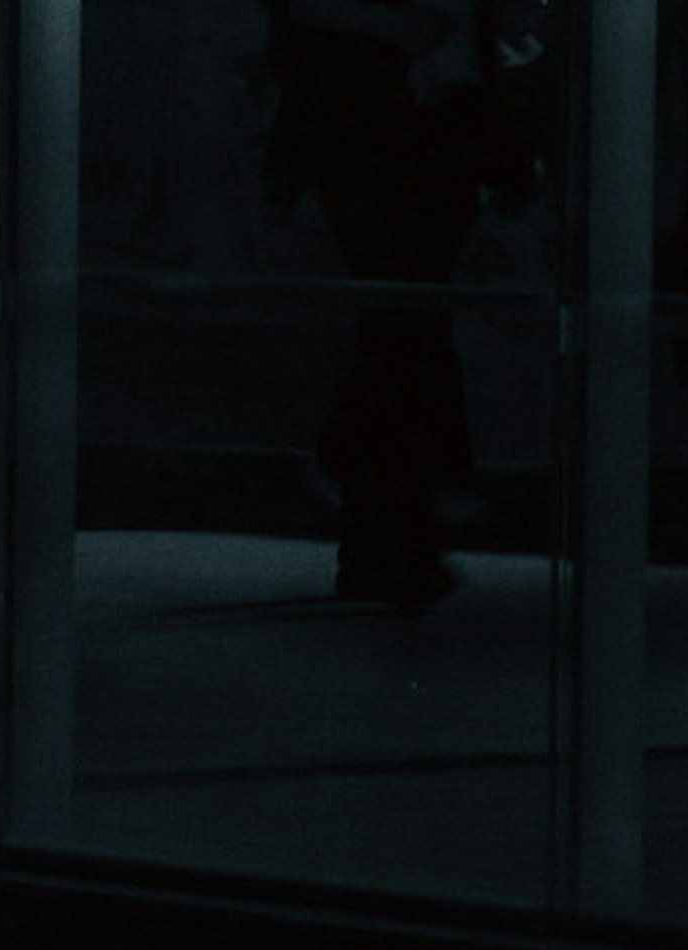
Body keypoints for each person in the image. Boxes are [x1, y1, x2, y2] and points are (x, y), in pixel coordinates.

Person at [264, 0, 547, 614]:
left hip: (396, 126)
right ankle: (394, 528)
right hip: (397, 126)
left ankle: (381, 529)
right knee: (408, 325)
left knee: (402, 325)